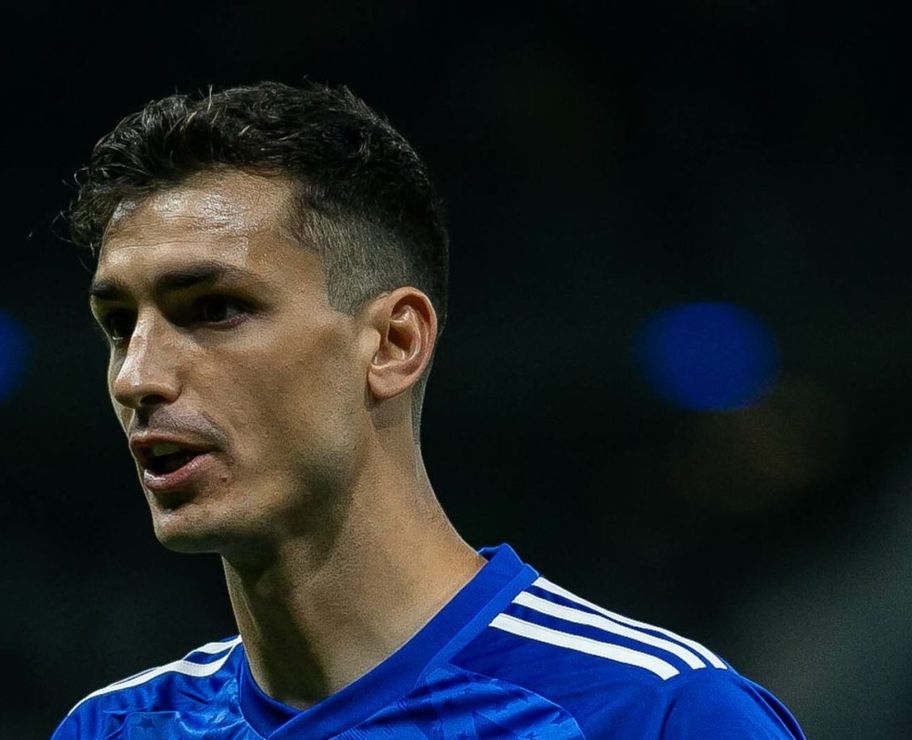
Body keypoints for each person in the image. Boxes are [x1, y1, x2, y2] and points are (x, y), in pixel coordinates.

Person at [50, 81, 804, 739]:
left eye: (215, 308)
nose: (137, 376)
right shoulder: (110, 728)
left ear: (393, 344)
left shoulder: (653, 713)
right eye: (118, 325)